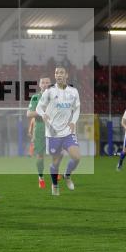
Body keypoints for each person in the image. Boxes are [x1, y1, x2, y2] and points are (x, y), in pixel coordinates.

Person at [35, 67, 82, 195]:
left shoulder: (73, 91)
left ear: (66, 75)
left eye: (61, 72)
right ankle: (55, 185)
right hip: (53, 133)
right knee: (56, 163)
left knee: (77, 157)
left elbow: (77, 108)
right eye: (56, 72)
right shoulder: (49, 91)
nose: (58, 75)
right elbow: (39, 107)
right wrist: (43, 114)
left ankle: (67, 175)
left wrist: (73, 121)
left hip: (67, 132)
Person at [26, 77, 52, 189]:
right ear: (39, 85)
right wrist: (42, 112)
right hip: (40, 128)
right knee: (40, 155)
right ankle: (41, 178)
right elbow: (29, 114)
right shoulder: (36, 97)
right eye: (43, 82)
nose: (45, 84)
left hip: (53, 128)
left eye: (47, 82)